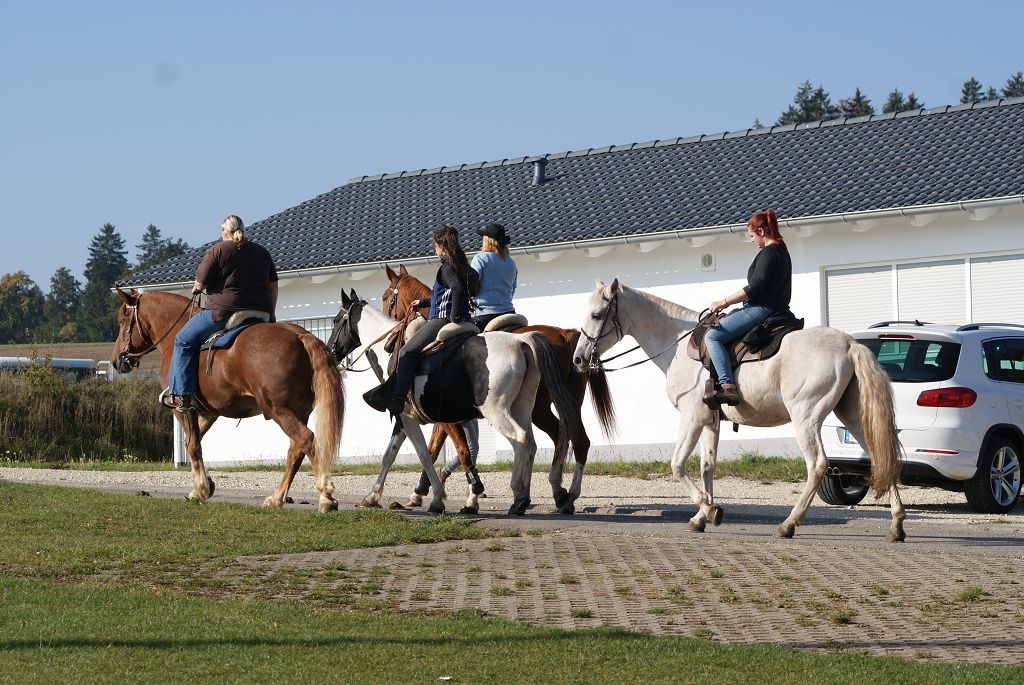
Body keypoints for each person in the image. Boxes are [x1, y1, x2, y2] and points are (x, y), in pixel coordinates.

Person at [161, 215, 278, 410]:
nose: (221, 233)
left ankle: (181, 395)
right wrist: (271, 313)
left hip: (224, 313)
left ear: (225, 231)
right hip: (261, 313)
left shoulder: (218, 250)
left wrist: (196, 288)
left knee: (182, 340)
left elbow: (200, 283)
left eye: (222, 230)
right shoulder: (262, 252)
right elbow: (273, 286)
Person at [364, 224, 475, 414]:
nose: (435, 250)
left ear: (442, 247)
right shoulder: (464, 267)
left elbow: (456, 288)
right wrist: (422, 302)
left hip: (441, 320)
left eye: (435, 247)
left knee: (406, 352)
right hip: (467, 320)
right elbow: (449, 294)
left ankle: (398, 398)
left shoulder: (446, 268)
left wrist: (453, 315)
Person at [704, 208, 792, 406]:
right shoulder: (783, 251)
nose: (751, 240)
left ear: (761, 231)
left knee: (713, 337)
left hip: (760, 309)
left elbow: (754, 288)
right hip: (779, 309)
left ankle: (727, 386)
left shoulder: (769, 253)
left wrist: (723, 302)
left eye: (752, 236)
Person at [470, 222, 517, 330]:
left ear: (487, 240)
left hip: (486, 314)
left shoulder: (480, 258)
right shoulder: (511, 262)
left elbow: (471, 287)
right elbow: (513, 288)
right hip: (509, 312)